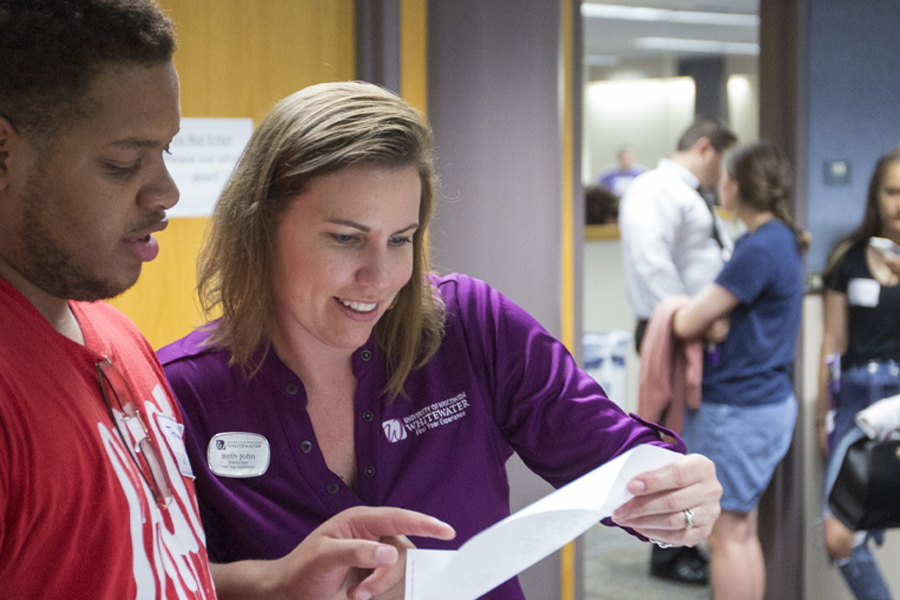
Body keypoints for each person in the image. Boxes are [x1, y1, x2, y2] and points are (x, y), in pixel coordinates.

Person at [157, 80, 723, 600]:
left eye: (400, 239)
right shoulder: (181, 392)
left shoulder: (470, 326)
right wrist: (277, 583)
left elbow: (612, 454)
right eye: (345, 239)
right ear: (261, 228)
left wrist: (673, 490)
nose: (379, 277)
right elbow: (142, 576)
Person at [0, 2, 456, 598]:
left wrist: (279, 583)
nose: (166, 190)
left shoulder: (116, 337)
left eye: (167, 152)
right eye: (122, 164)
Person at [672, 141, 808, 600]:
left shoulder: (760, 247)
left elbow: (689, 320)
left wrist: (678, 312)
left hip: (738, 409)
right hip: (762, 403)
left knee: (726, 535)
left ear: (735, 187)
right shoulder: (779, 239)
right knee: (741, 531)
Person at [618, 116, 737, 583]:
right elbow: (652, 263)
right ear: (706, 148)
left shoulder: (687, 193)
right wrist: (689, 317)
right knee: (668, 439)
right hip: (672, 327)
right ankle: (666, 551)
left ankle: (682, 541)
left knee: (688, 437)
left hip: (690, 327)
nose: (724, 174)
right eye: (723, 161)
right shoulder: (655, 188)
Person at [814, 147, 900, 600]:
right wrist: (822, 413)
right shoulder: (848, 258)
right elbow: (832, 342)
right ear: (876, 197)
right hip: (856, 398)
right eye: (892, 192)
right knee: (839, 534)